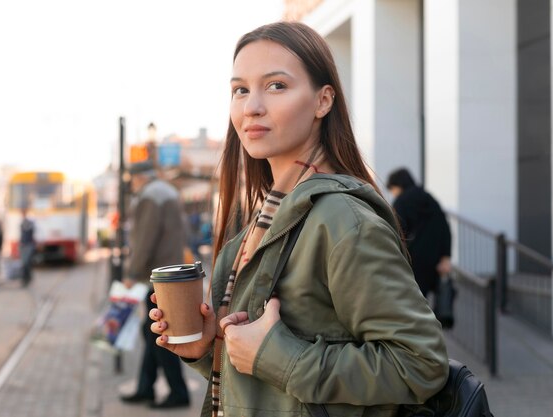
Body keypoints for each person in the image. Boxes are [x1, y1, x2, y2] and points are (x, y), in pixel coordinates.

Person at [149, 21, 449, 417]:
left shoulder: (343, 220)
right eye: (240, 89)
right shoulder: (256, 227)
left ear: (323, 101)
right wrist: (208, 349)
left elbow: (420, 365)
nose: (251, 106)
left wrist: (279, 357)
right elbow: (265, 387)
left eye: (276, 86)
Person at [120, 160, 190, 409]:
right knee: (151, 332)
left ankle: (179, 393)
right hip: (169, 271)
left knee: (160, 334)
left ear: (138, 178)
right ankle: (145, 387)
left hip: (156, 275)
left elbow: (144, 240)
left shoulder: (150, 197)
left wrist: (132, 272)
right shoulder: (168, 191)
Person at [386, 168, 452, 298]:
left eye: (392, 189)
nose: (393, 194)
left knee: (414, 299)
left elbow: (398, 231)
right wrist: (446, 256)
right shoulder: (428, 198)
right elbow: (444, 227)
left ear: (398, 185)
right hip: (434, 259)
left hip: (413, 260)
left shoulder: (401, 202)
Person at [19, 209, 36, 287]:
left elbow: (29, 232)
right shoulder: (23, 222)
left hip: (28, 245)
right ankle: (25, 278)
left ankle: (27, 278)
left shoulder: (29, 223)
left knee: (26, 262)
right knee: (24, 262)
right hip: (23, 245)